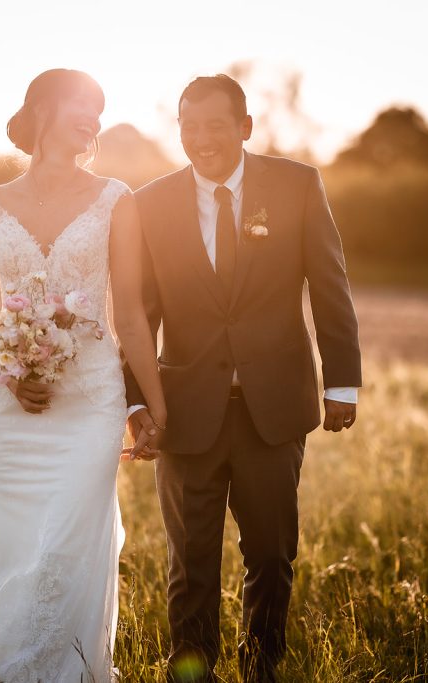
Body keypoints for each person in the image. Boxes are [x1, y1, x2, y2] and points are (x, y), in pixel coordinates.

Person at [123, 74, 362, 683]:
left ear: (246, 127)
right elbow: (137, 314)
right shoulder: (148, 203)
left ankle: (262, 673)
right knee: (190, 565)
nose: (201, 139)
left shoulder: (296, 185)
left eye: (215, 125)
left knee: (273, 558)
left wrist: (341, 383)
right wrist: (134, 403)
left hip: (273, 410)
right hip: (184, 412)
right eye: (189, 125)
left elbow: (329, 286)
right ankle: (193, 675)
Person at [0, 68, 166, 683]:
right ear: (41, 109)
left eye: (99, 111)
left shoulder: (116, 198)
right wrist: (6, 367)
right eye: (81, 105)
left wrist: (153, 402)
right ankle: (1, 667)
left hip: (92, 400)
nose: (92, 119)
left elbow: (129, 310)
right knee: (17, 540)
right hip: (13, 408)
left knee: (69, 543)